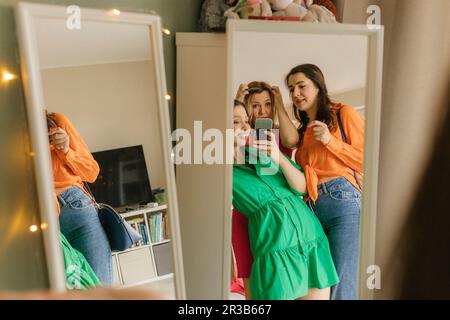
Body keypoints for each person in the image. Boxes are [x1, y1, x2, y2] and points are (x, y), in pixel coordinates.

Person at [232, 103, 339, 300]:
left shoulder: (263, 152)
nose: (247, 127)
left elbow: (302, 188)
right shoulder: (221, 175)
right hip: (276, 255)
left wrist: (278, 157)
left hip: (311, 243)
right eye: (235, 123)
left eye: (247, 121)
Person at [276, 64, 365, 300]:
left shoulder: (342, 113)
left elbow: (371, 160)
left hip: (343, 202)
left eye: (301, 86)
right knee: (319, 286)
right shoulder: (304, 132)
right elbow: (288, 139)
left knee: (341, 287)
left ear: (318, 86)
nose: (295, 94)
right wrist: (276, 101)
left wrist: (329, 140)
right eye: (291, 89)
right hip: (312, 208)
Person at [232, 82, 292, 299]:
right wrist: (237, 101)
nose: (262, 110)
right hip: (246, 206)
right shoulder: (242, 135)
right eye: (255, 106)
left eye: (268, 104)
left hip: (276, 207)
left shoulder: (274, 132)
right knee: (248, 269)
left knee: (281, 269)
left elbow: (292, 141)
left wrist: (281, 106)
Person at [46, 110, 113, 285]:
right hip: (41, 220)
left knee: (100, 289)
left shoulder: (55, 121)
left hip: (75, 208)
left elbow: (91, 172)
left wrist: (66, 150)